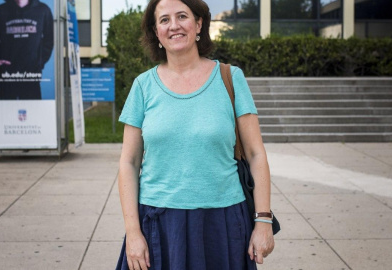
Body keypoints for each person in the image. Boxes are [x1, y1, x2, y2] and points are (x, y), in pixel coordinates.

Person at [116, 0, 274, 269]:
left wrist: (263, 221)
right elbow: (128, 162)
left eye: (182, 16)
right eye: (164, 20)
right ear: (156, 32)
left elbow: (256, 153)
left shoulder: (230, 77)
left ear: (199, 24)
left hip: (222, 221)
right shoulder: (142, 86)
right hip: (159, 223)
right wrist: (133, 232)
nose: (174, 26)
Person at [0, 0, 54, 100]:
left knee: (32, 112)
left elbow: (49, 40)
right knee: (6, 113)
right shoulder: (0, 11)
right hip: (6, 75)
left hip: (31, 73)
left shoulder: (43, 10)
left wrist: (39, 62)